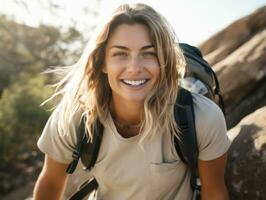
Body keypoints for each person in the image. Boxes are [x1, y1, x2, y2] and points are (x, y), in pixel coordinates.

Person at [33, 3, 231, 200]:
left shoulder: (201, 117)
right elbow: (50, 183)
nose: (134, 68)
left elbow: (214, 192)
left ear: (164, 61)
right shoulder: (74, 117)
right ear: (102, 62)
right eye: (120, 54)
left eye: (149, 53)